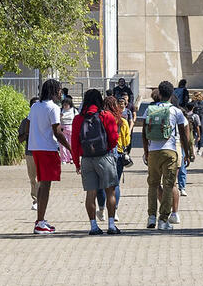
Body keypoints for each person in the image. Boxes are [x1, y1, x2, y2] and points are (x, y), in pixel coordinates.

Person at [71, 89, 122, 235]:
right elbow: (114, 138)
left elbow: (74, 143)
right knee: (110, 191)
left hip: (86, 159)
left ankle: (93, 226)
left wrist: (77, 163)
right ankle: (111, 225)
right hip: (104, 157)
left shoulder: (78, 119)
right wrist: (107, 149)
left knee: (90, 193)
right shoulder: (106, 116)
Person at [143, 82, 192, 230]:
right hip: (170, 151)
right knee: (168, 186)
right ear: (172, 94)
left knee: (153, 184)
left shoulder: (150, 109)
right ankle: (163, 219)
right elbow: (184, 134)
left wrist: (146, 151)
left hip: (153, 151)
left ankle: (151, 216)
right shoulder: (176, 111)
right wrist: (187, 153)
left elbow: (144, 134)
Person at [27, 80, 72, 234]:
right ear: (53, 91)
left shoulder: (35, 106)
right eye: (59, 90)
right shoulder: (53, 108)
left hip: (35, 148)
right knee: (45, 186)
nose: (61, 93)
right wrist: (70, 148)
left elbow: (28, 124)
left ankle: (40, 219)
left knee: (42, 184)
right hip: (47, 149)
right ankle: (40, 223)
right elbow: (57, 132)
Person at [96, 94, 132, 223]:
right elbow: (127, 140)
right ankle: (114, 210)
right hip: (119, 154)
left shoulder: (99, 118)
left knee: (100, 184)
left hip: (101, 154)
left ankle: (101, 210)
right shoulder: (123, 121)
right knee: (114, 184)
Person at [19, 97, 41, 211]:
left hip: (43, 151)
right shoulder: (25, 121)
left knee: (42, 177)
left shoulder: (43, 119)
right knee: (33, 177)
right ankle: (36, 199)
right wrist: (27, 133)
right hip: (30, 152)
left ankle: (42, 198)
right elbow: (20, 139)